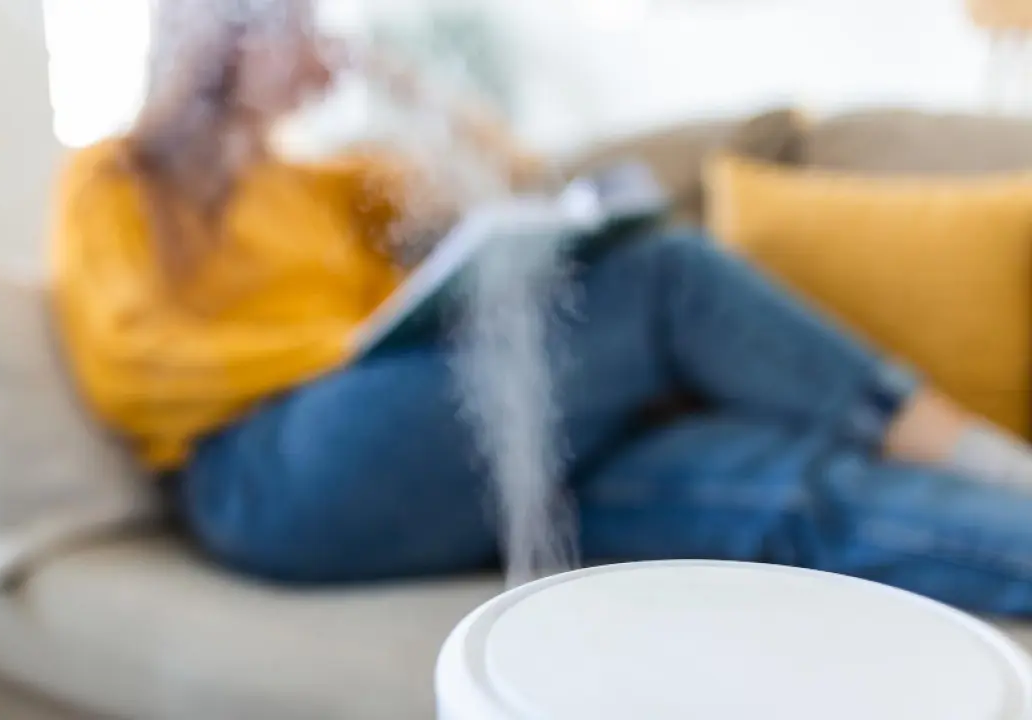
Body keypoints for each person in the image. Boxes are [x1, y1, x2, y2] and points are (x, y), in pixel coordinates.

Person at [53, 0, 1032, 614]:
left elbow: (516, 178)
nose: (313, 43)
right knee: (666, 274)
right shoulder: (116, 178)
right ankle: (973, 444)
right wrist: (350, 346)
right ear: (220, 29)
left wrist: (399, 79)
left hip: (422, 454)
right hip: (269, 477)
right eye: (292, 22)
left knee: (771, 486)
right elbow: (131, 365)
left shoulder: (323, 184)